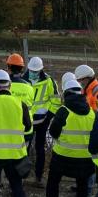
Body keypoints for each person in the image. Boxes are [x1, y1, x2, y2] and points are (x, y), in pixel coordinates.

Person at [31, 78, 96, 197]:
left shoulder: (64, 111)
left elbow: (53, 131)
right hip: (85, 158)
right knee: (83, 186)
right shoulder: (91, 112)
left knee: (53, 183)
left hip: (63, 157)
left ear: (65, 94)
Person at [24, 56, 60, 186]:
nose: (33, 73)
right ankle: (23, 175)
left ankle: (38, 177)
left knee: (40, 149)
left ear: (41, 69)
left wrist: (48, 117)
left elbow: (56, 101)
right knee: (24, 149)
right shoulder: (22, 80)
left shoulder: (49, 81)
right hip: (25, 121)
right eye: (32, 70)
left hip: (42, 121)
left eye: (36, 71)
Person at [75, 64, 98, 197]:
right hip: (91, 127)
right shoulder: (88, 89)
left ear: (87, 78)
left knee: (97, 163)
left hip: (96, 128)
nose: (80, 83)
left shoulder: (97, 90)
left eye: (81, 80)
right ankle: (85, 187)